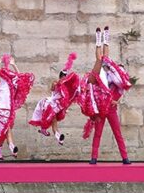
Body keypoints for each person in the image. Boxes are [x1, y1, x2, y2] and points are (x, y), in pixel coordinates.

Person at [79, 28, 132, 165]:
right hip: (101, 108)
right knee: (98, 133)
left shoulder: (118, 85)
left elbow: (118, 96)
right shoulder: (105, 75)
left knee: (117, 133)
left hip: (110, 110)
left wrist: (116, 102)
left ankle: (125, 157)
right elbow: (104, 60)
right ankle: (94, 157)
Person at [0, 55, 34, 161]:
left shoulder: (13, 86)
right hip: (1, 110)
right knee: (5, 129)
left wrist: (14, 65)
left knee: (4, 131)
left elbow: (20, 78)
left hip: (9, 110)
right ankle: (12, 146)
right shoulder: (0, 84)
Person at [29, 53, 79, 144]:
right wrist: (59, 84)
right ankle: (53, 134)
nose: (65, 79)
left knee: (54, 122)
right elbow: (52, 88)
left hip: (58, 106)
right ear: (60, 77)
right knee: (52, 120)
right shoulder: (56, 83)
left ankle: (58, 137)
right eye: (64, 77)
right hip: (51, 104)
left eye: (66, 78)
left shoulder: (66, 86)